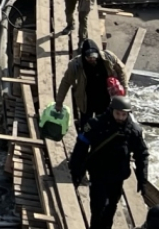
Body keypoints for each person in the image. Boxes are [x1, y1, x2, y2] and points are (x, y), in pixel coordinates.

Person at [71, 96, 149, 229]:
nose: (120, 117)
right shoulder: (96, 124)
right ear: (111, 110)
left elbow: (141, 154)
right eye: (118, 113)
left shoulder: (133, 131)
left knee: (111, 207)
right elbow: (81, 147)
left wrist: (142, 179)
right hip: (98, 173)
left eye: (124, 114)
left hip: (117, 176)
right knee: (98, 206)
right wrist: (76, 170)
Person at [54, 38, 130, 131]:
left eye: (94, 57)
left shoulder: (108, 57)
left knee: (103, 128)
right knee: (85, 129)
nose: (92, 60)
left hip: (104, 100)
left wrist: (124, 90)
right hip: (86, 102)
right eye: (88, 58)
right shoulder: (75, 64)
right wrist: (59, 102)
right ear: (83, 56)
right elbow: (65, 82)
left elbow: (121, 70)